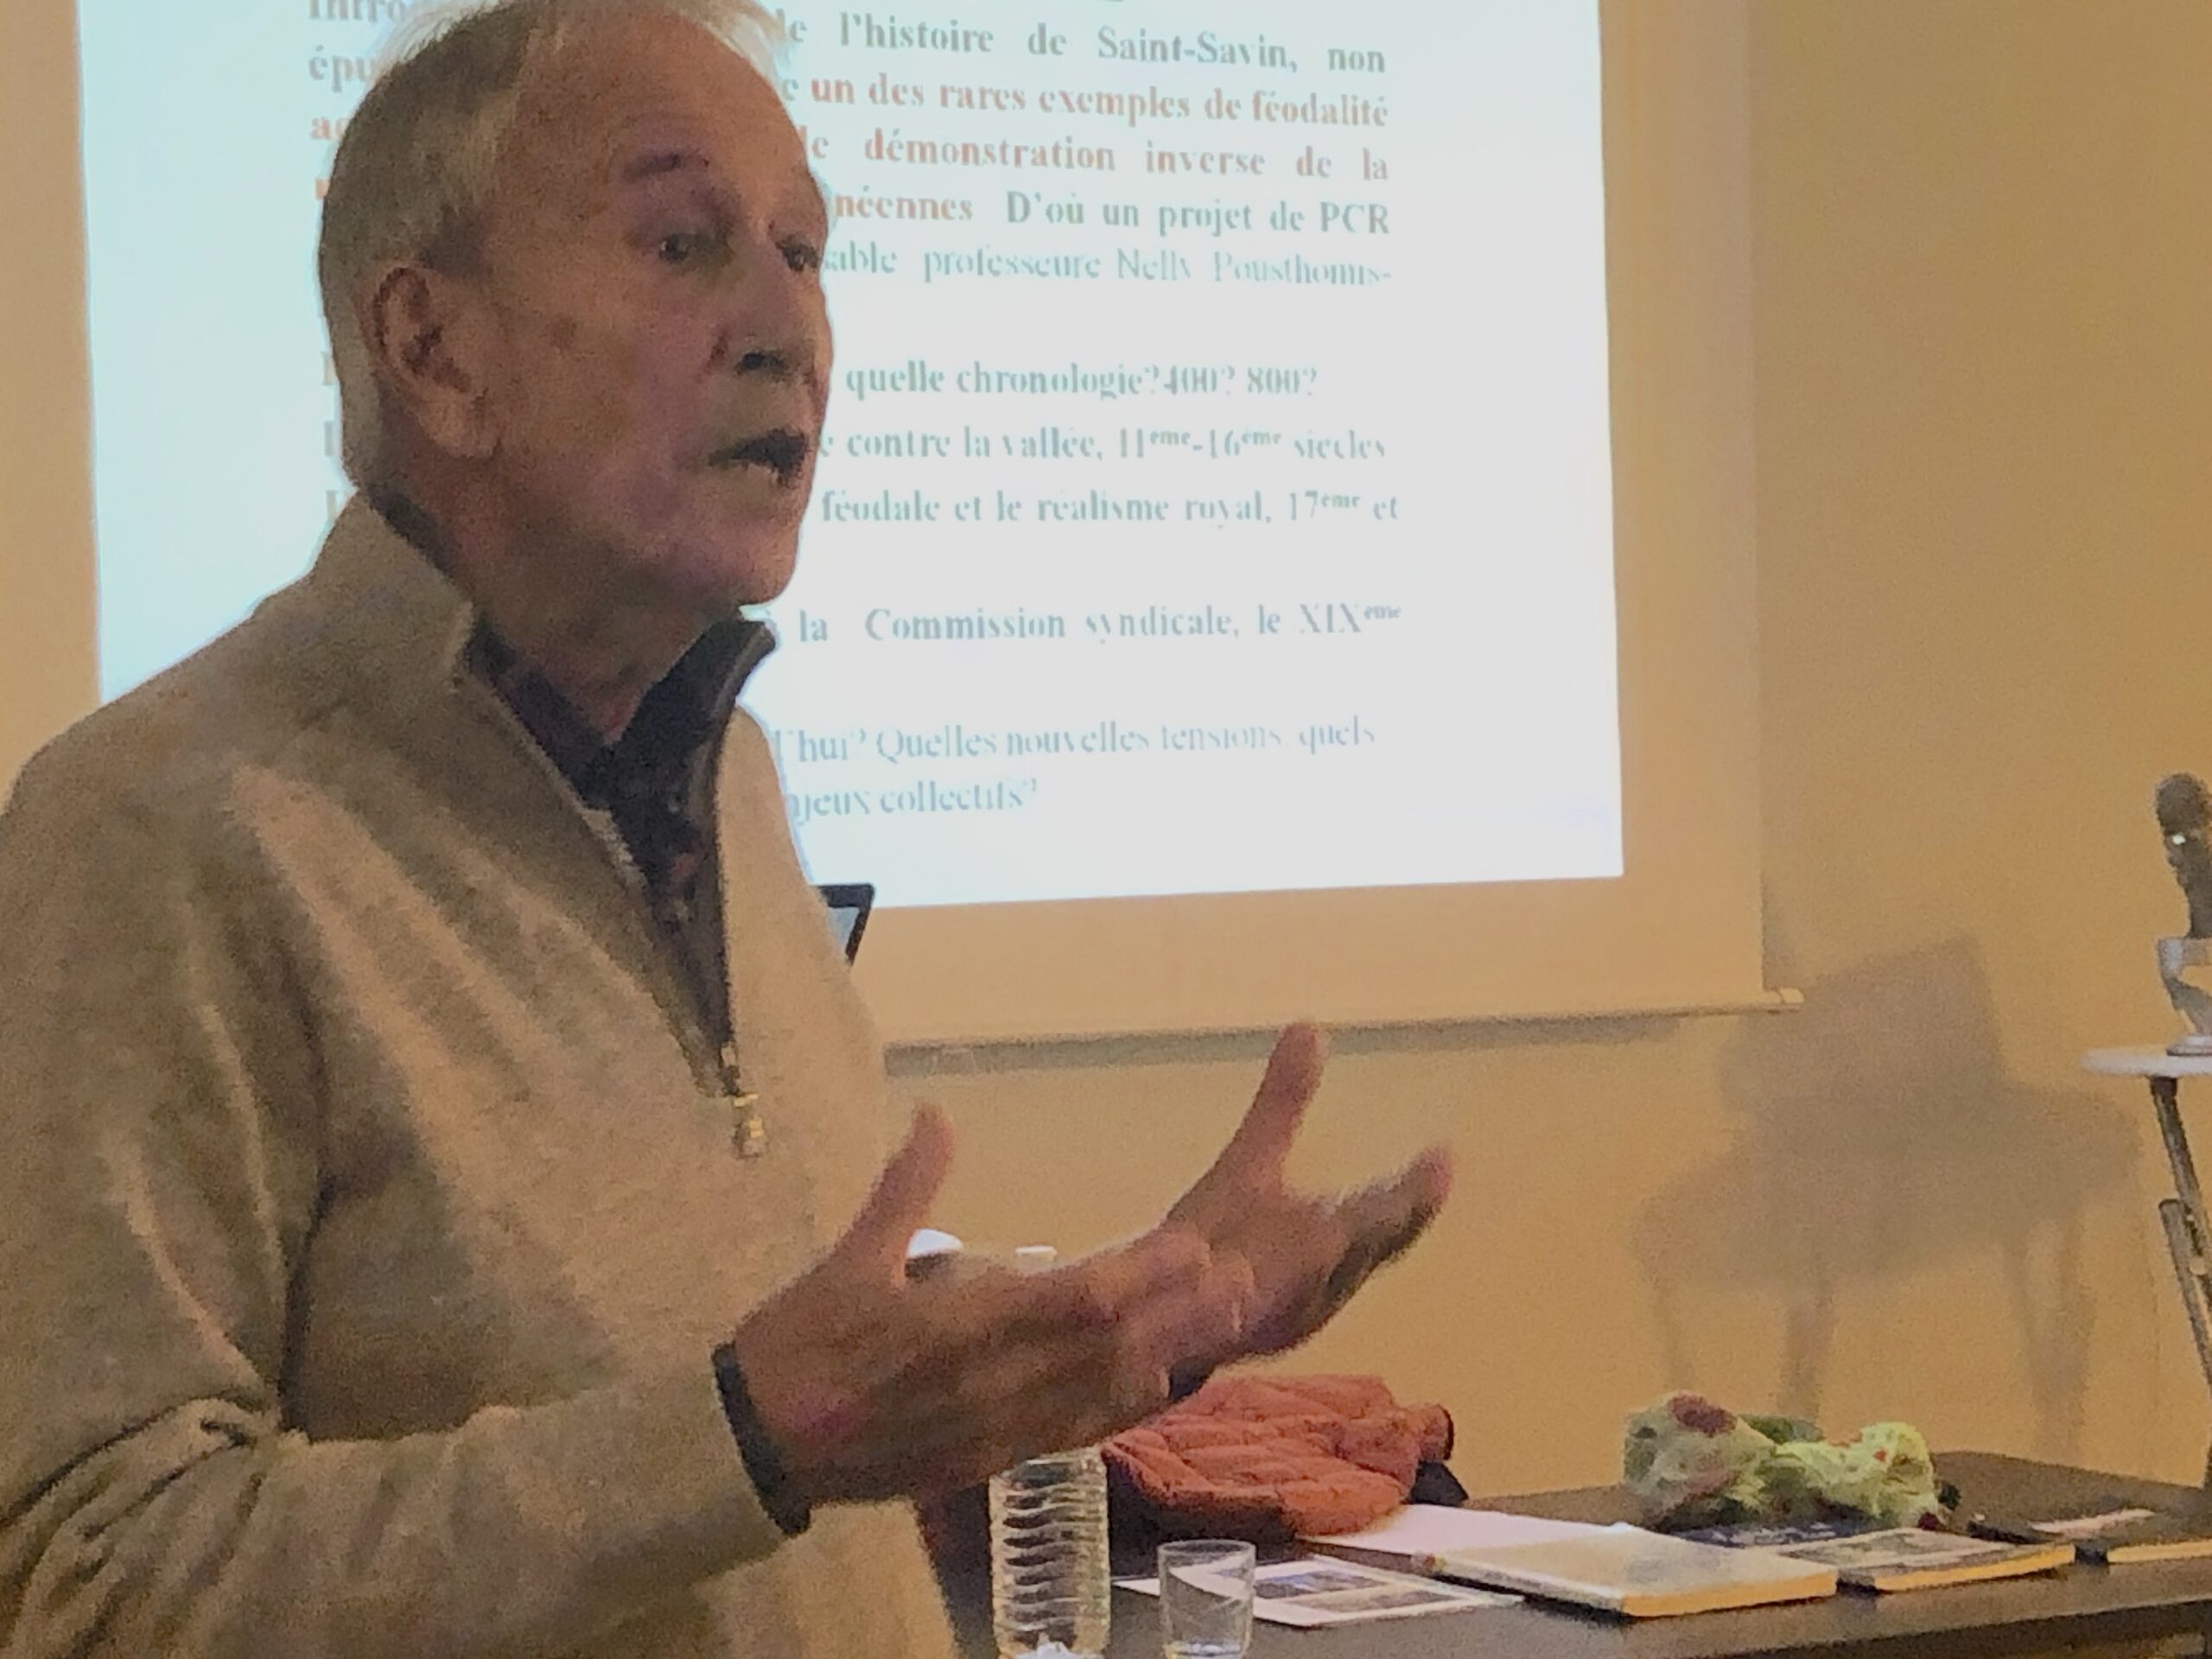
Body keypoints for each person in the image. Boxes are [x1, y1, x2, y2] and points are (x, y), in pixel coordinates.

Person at [0, 2, 1452, 1654]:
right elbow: (87, 1582)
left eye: (805, 252)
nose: (787, 328)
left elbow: (734, 1376)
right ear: (435, 350)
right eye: (683, 244)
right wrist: (746, 1440)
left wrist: (1112, 1327)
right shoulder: (163, 828)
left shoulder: (728, 776)